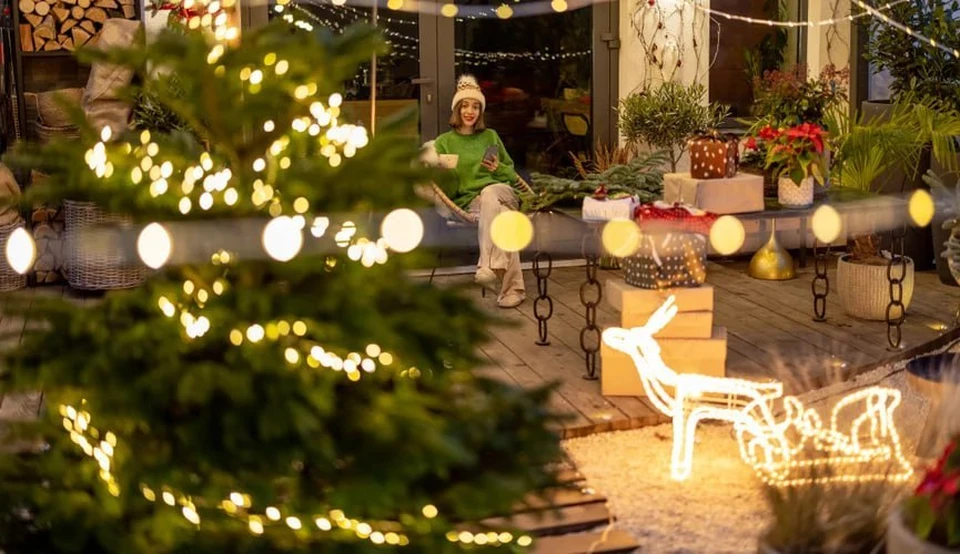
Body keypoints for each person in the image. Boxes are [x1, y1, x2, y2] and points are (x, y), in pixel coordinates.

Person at [433, 75, 525, 309]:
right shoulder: (444, 143)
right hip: (472, 203)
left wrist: (498, 168)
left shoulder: (490, 136)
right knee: (505, 219)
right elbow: (450, 192)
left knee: (491, 193)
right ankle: (513, 290)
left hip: (502, 192)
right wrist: (445, 173)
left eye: (475, 106)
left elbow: (511, 173)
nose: (470, 111)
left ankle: (486, 263)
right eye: (465, 105)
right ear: (457, 109)